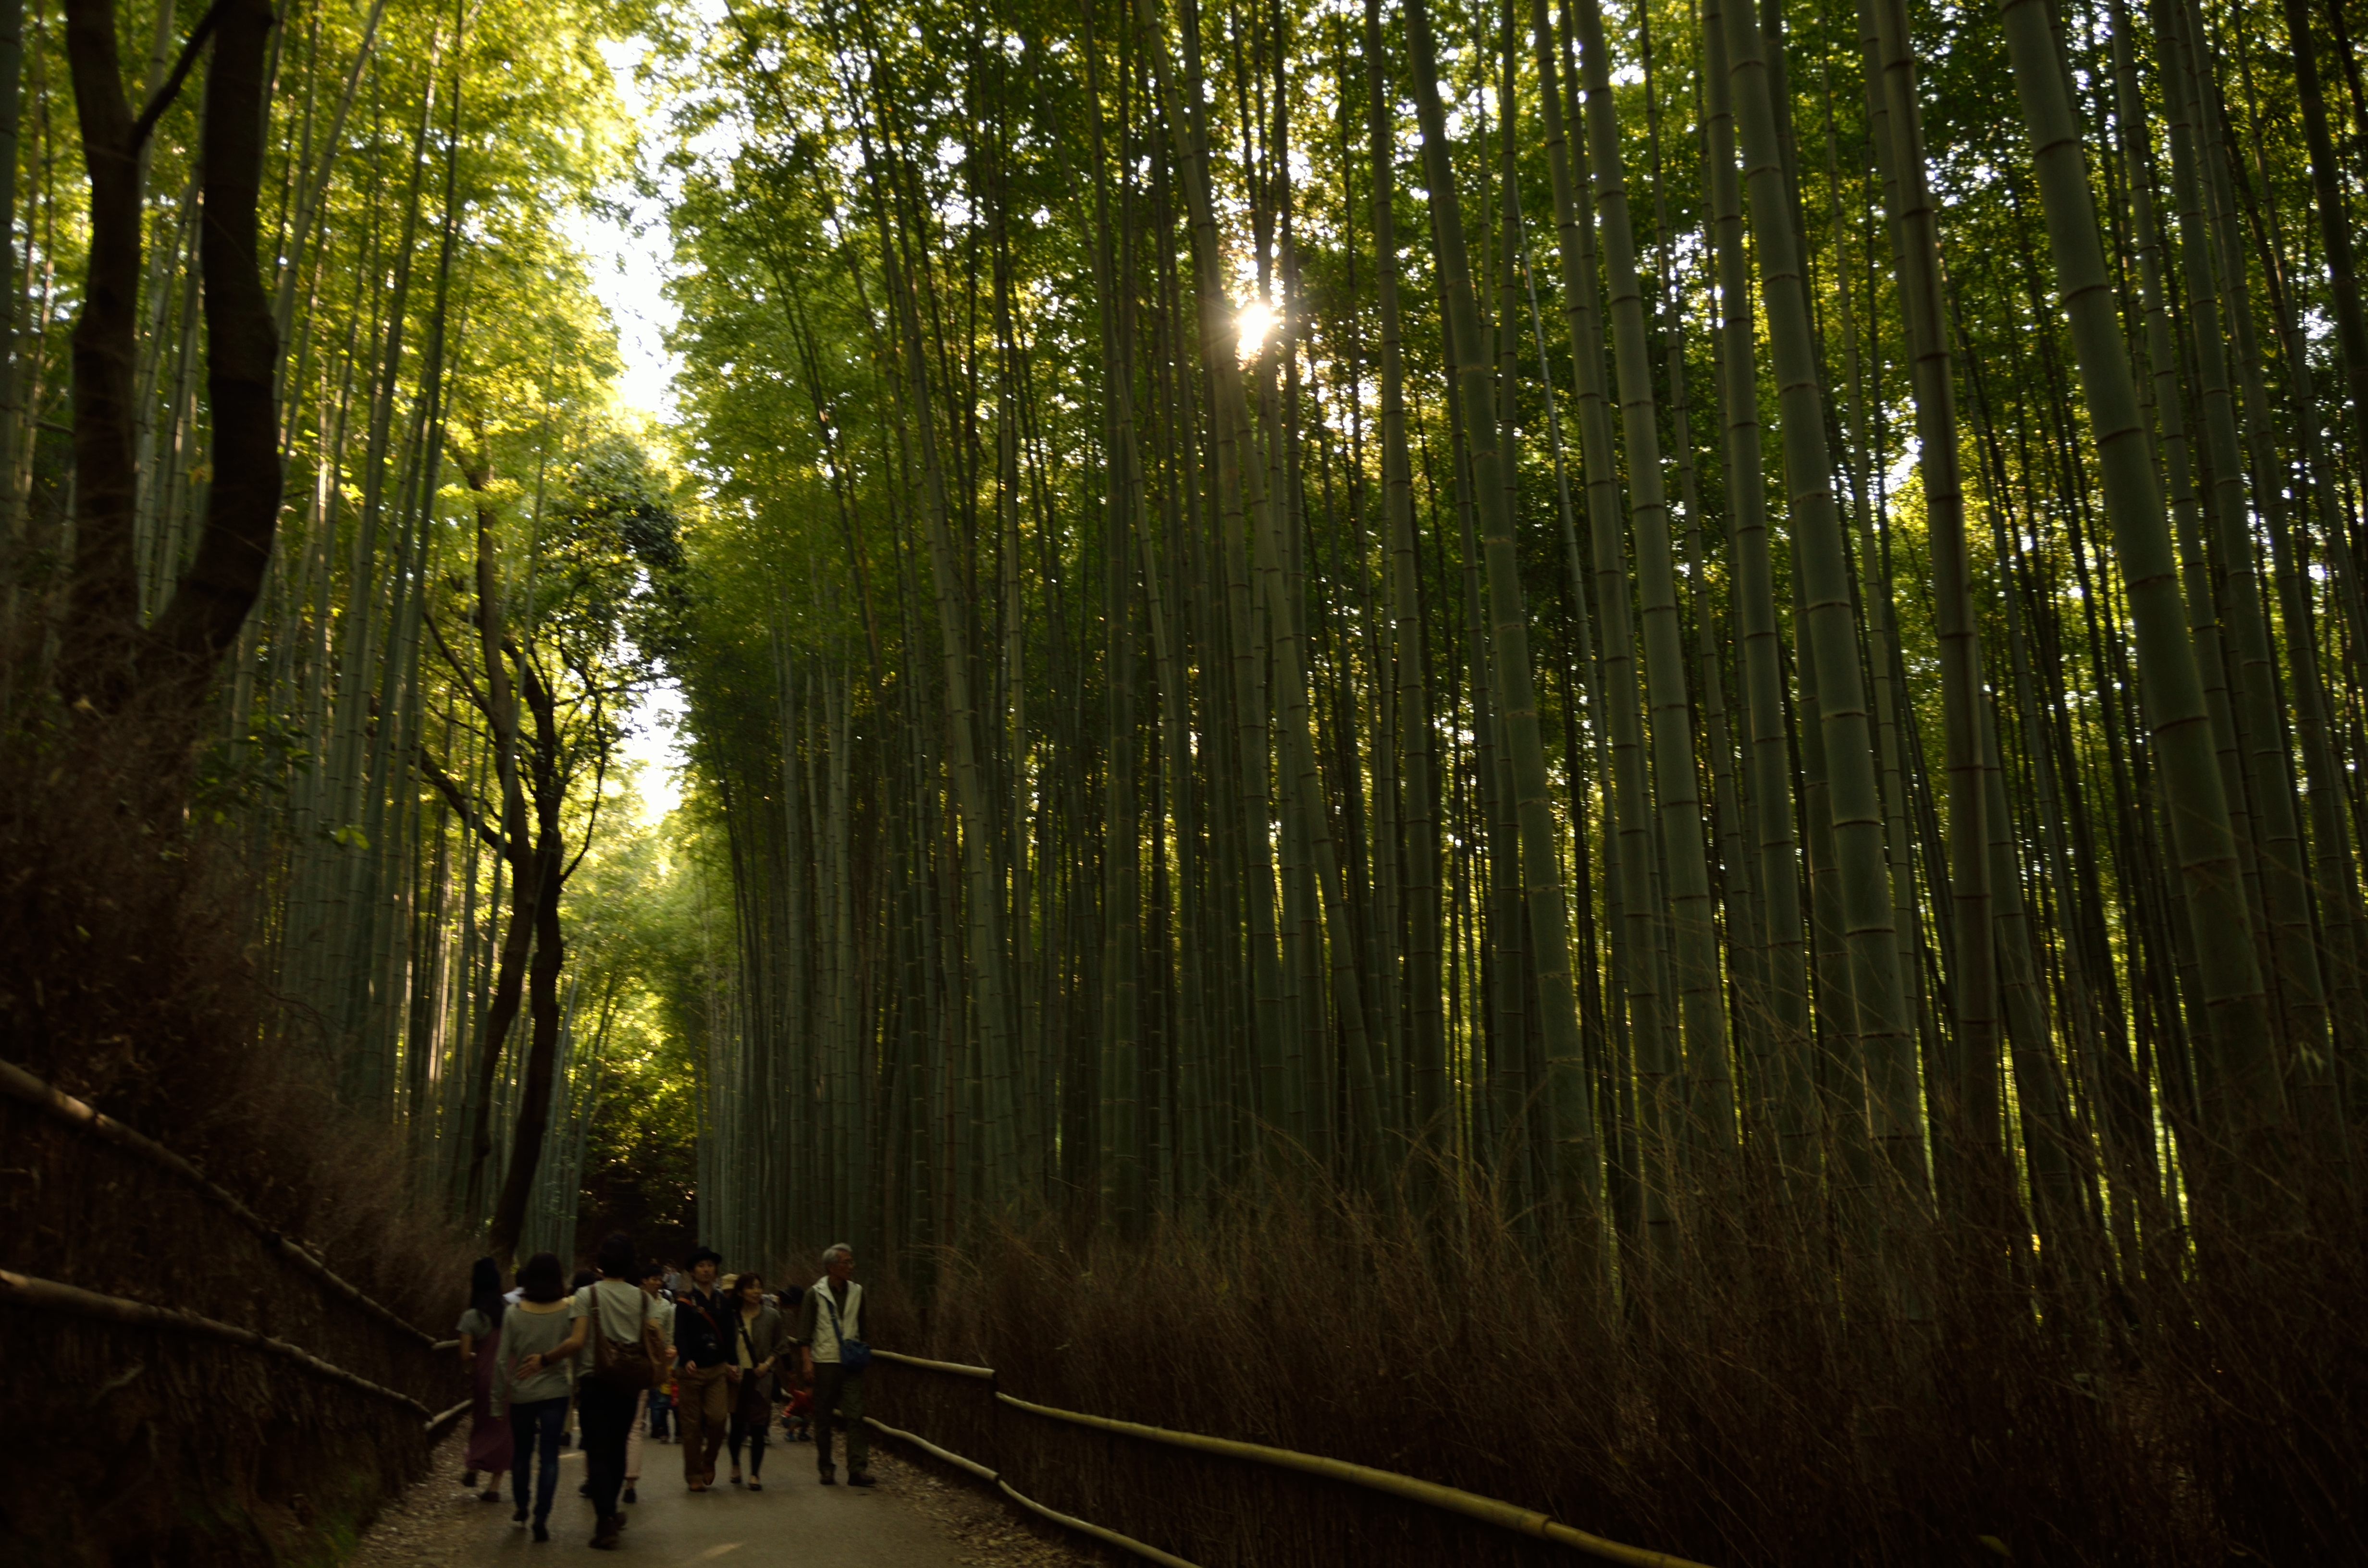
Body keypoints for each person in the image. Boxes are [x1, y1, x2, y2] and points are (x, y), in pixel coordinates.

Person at [537, 1232, 669, 1551]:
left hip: (595, 1380)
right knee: (618, 1447)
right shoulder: (644, 1299)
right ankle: (610, 1511)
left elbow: (577, 1341)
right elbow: (657, 1337)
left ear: (600, 1263)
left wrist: (545, 1359)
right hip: (629, 1381)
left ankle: (605, 1519)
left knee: (597, 1450)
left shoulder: (588, 1295)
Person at [496, 1252, 577, 1541]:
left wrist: (497, 1399)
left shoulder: (513, 1313)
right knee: (550, 1456)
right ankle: (542, 1516)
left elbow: (501, 1361)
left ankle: (522, 1505)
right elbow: (574, 1348)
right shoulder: (568, 1311)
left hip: (522, 1391)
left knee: (522, 1452)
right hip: (556, 1391)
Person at [790, 1243, 873, 1487]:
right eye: (846, 1263)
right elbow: (805, 1334)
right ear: (831, 1267)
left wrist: (862, 1352)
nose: (851, 1267)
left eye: (851, 1262)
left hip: (851, 1362)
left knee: (856, 1415)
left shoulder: (858, 1292)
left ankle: (857, 1469)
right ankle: (826, 1467)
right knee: (824, 1416)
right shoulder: (815, 1294)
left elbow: (863, 1327)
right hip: (824, 1361)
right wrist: (807, 1363)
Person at [671, 1245, 734, 1492]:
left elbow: (729, 1334)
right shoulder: (685, 1302)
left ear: (715, 1270)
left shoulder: (722, 1301)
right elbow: (680, 1334)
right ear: (693, 1272)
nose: (706, 1270)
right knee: (691, 1426)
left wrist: (733, 1361)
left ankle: (709, 1459)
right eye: (701, 1266)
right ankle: (694, 1474)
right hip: (691, 1371)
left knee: (719, 1419)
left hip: (717, 1368)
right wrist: (686, 1358)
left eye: (710, 1265)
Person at [456, 1258, 513, 1502]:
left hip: (485, 1375)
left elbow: (464, 1355)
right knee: (504, 1427)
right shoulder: (510, 1312)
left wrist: (479, 1356)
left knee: (482, 1421)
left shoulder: (472, 1316)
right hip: (509, 1374)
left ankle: (473, 1465)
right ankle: (495, 1486)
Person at [725, 1272, 787, 1489]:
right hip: (737, 1376)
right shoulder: (732, 1317)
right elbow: (725, 1345)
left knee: (759, 1427)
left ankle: (755, 1474)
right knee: (737, 1426)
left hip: (761, 1376)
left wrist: (767, 1365)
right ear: (741, 1292)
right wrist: (728, 1366)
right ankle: (735, 1464)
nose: (756, 1291)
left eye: (759, 1287)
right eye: (751, 1287)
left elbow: (781, 1345)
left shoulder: (772, 1316)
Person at [623, 1261, 674, 1501]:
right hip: (641, 1362)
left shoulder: (597, 1295)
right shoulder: (644, 1301)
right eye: (653, 1278)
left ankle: (600, 1479)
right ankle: (630, 1483)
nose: (657, 1283)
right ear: (643, 1280)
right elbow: (658, 1332)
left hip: (619, 1364)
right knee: (635, 1426)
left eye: (659, 1279)